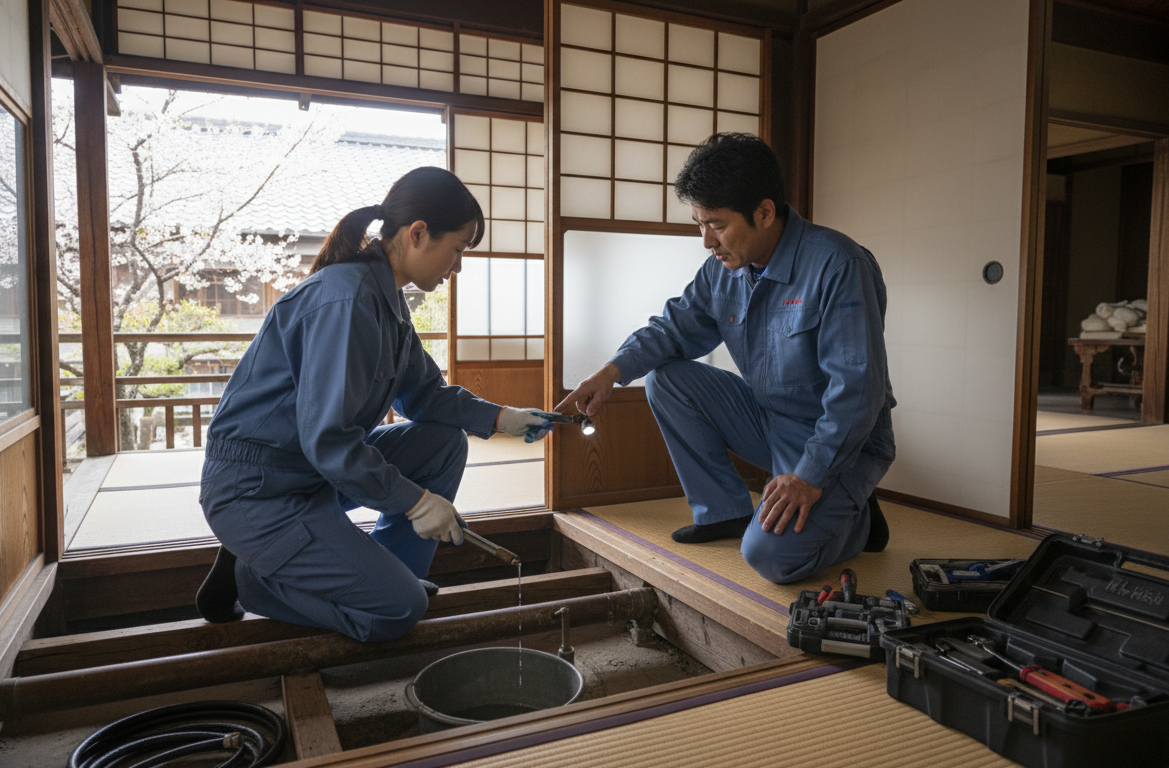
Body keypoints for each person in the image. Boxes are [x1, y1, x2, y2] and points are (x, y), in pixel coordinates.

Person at [194, 166, 553, 641]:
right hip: (259, 490)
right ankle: (252, 580)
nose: (459, 266)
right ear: (419, 234)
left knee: (441, 444)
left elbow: (424, 395)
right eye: (459, 250)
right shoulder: (347, 302)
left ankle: (391, 573)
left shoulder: (386, 304)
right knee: (397, 612)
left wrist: (502, 418)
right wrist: (418, 500)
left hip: (306, 474)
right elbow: (330, 442)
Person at [557, 133, 896, 584]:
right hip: (770, 419)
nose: (705, 241)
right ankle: (723, 512)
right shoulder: (724, 268)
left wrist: (811, 476)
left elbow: (857, 390)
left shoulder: (838, 265)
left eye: (715, 224)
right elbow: (672, 329)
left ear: (765, 212)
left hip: (835, 439)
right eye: (699, 223)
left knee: (771, 558)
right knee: (667, 378)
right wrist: (610, 372)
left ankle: (858, 518)